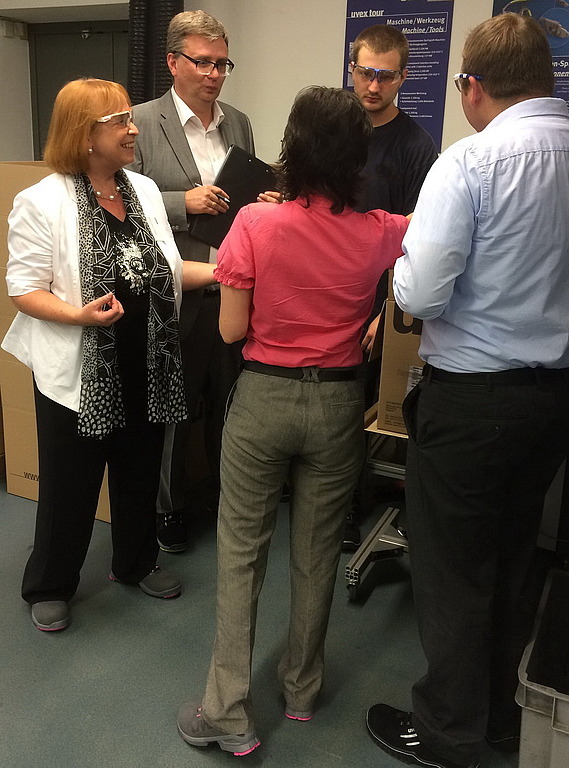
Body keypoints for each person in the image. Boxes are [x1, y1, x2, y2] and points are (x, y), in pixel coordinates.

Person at [366, 14, 569, 768]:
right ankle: (500, 717)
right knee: (516, 556)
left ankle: (447, 734)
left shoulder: (469, 161)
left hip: (473, 400)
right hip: (553, 398)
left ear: (472, 86)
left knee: (454, 569)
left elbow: (421, 292)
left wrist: (400, 264)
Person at [175, 85, 409, 755]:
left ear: (293, 150)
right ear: (357, 157)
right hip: (338, 405)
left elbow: (230, 331)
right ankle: (302, 690)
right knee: (316, 553)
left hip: (264, 400)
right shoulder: (381, 231)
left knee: (241, 556)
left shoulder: (256, 222)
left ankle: (227, 711)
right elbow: (435, 232)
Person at [2, 78, 217, 632]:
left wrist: (229, 270)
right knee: (70, 483)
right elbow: (23, 289)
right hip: (80, 369)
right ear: (84, 134)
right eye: (119, 120)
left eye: (129, 118)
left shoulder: (142, 190)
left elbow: (169, 270)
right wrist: (78, 316)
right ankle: (50, 583)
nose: (133, 129)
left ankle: (135, 561)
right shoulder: (41, 201)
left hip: (148, 360)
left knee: (139, 471)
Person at [127, 10, 278, 554]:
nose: (214, 74)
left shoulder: (238, 122)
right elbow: (121, 204)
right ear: (173, 62)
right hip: (178, 289)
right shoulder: (141, 122)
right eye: (203, 62)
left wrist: (264, 202)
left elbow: (245, 194)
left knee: (229, 404)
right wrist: (182, 203)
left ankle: (220, 495)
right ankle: (167, 509)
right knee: (175, 407)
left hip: (234, 288)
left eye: (222, 64)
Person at [343, 24, 438, 550]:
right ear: (352, 70)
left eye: (385, 76)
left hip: (378, 298)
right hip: (328, 289)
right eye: (365, 73)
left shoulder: (416, 147)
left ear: (402, 78)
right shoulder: (338, 130)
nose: (373, 86)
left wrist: (390, 310)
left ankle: (348, 507)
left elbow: (418, 238)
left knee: (359, 406)